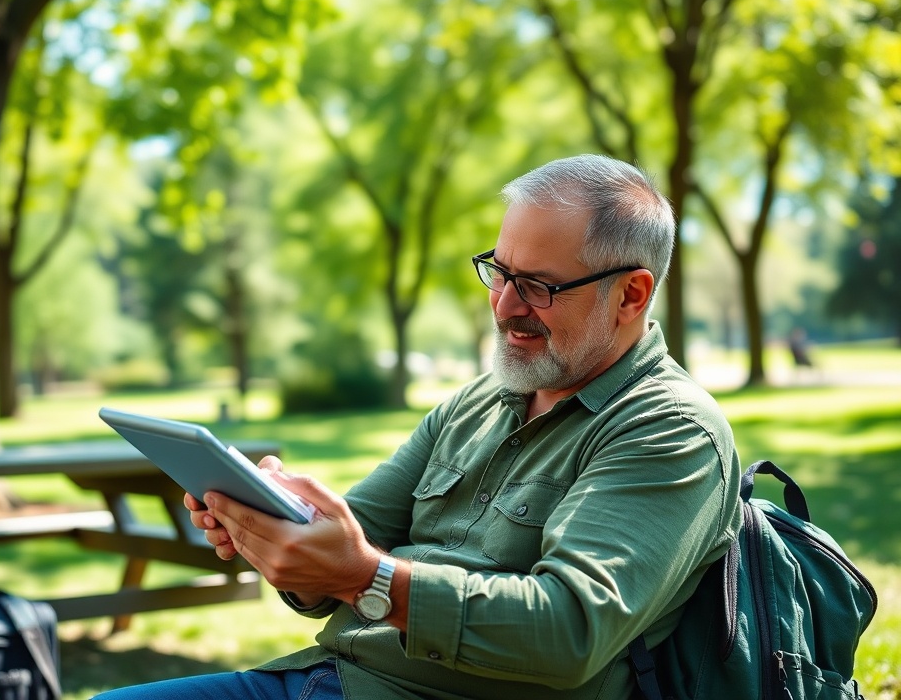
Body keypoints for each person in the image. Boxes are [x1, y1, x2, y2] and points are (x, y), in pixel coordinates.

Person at [94, 154, 742, 700]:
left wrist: (365, 578)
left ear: (631, 294)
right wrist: (278, 534)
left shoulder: (671, 429)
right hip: (336, 678)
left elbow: (569, 632)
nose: (504, 306)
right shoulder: (477, 402)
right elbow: (354, 543)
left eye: (538, 286)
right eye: (499, 272)